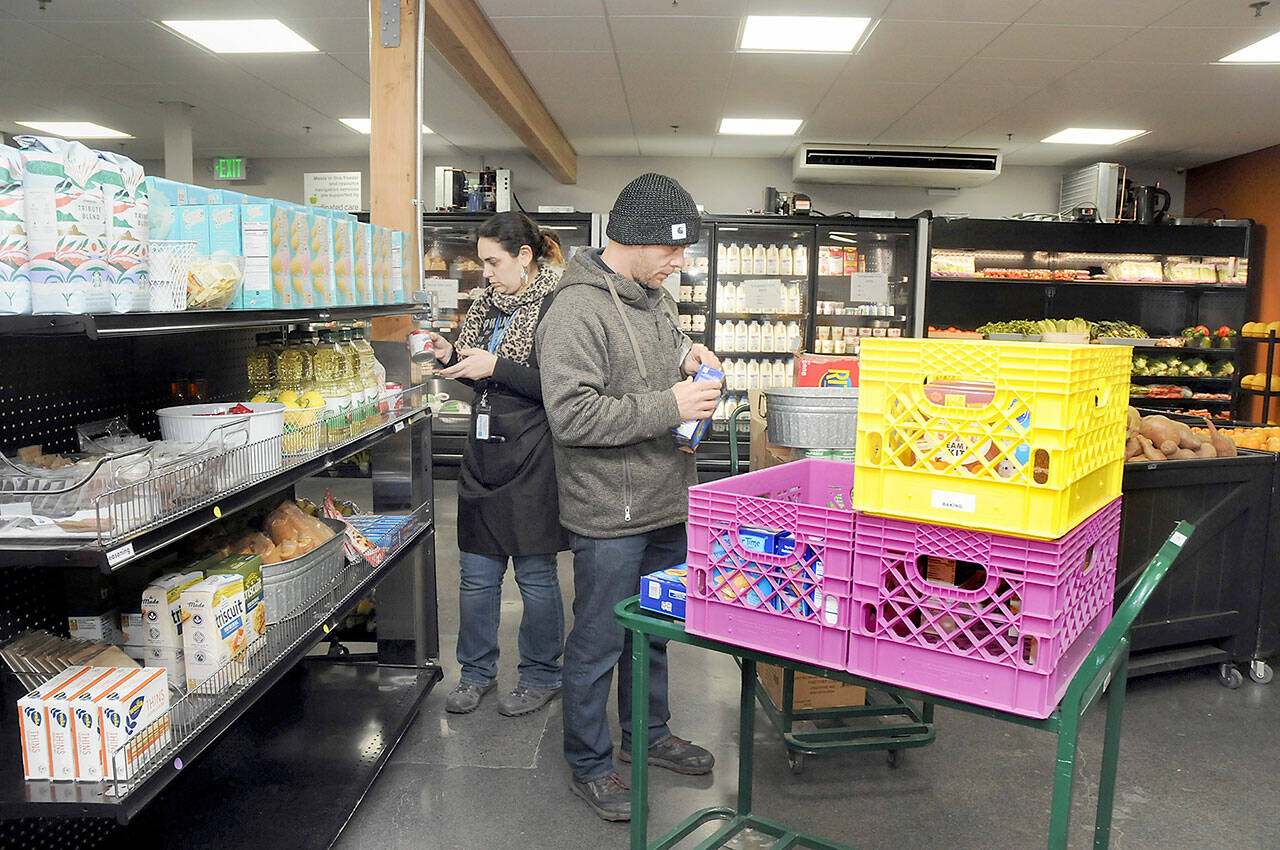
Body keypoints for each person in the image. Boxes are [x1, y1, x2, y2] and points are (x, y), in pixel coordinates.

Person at [536, 173, 722, 821]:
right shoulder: (576, 311)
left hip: (666, 499)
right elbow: (573, 417)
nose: (680, 262)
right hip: (608, 514)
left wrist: (688, 362)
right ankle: (589, 763)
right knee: (598, 641)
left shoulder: (656, 300)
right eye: (672, 249)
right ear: (631, 240)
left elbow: (652, 370)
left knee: (656, 630)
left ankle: (648, 734)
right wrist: (670, 403)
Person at [427, 211, 568, 718]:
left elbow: (560, 387)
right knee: (476, 575)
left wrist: (497, 367)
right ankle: (475, 674)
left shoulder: (559, 304)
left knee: (535, 575)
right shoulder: (487, 304)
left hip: (534, 452)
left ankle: (541, 675)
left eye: (493, 261)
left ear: (524, 256)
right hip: (484, 449)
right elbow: (479, 375)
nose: (485, 272)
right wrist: (450, 357)